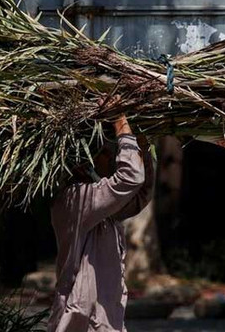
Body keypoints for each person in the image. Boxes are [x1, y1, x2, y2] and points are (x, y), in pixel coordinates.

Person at [48, 113, 155, 332]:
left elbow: (141, 195)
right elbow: (131, 177)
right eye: (107, 154)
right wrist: (120, 121)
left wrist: (142, 144)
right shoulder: (77, 199)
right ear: (85, 162)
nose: (114, 158)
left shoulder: (100, 203)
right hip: (80, 323)